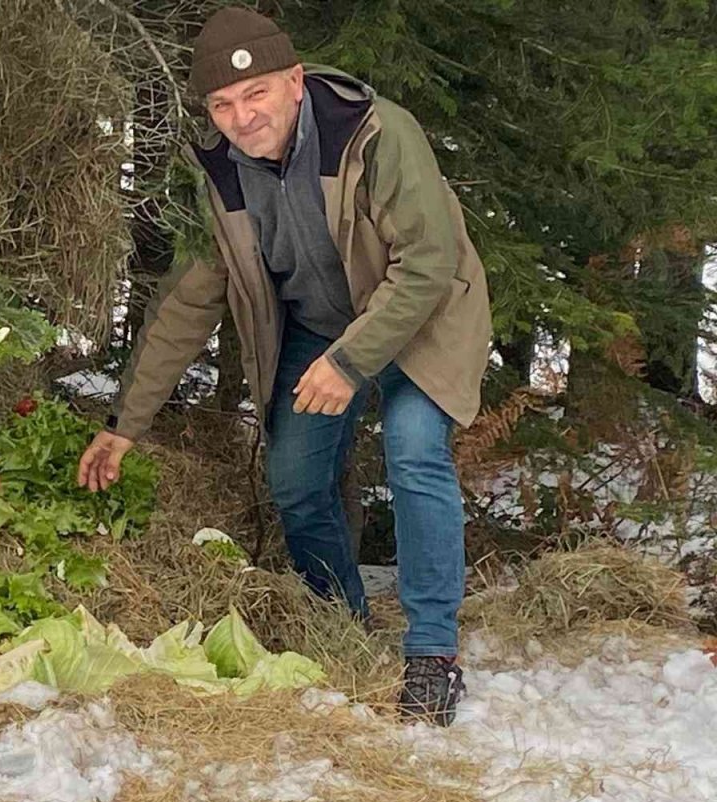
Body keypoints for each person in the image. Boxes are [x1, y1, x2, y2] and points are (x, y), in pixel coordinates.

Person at [76, 6, 492, 726]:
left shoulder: (377, 133)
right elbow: (185, 306)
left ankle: (431, 654)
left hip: (419, 315)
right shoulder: (225, 176)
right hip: (322, 326)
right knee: (296, 481)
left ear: (295, 82)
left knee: (415, 451)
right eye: (223, 104)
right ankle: (343, 628)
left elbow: (427, 265)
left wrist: (353, 361)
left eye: (256, 93)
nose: (242, 116)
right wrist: (125, 425)